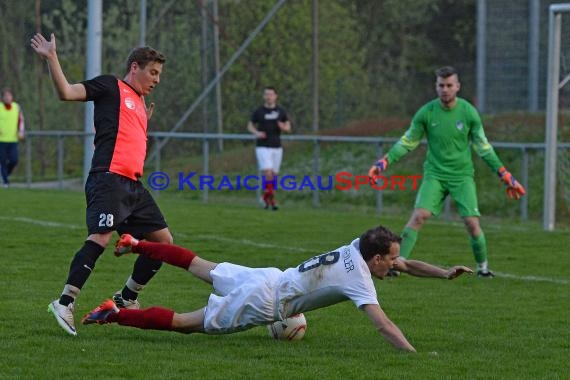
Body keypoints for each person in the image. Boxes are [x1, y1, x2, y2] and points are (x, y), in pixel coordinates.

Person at [82, 225, 473, 352]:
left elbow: (406, 263)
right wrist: (415, 356)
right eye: (391, 258)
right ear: (376, 260)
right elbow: (385, 326)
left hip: (269, 276)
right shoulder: (360, 281)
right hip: (267, 299)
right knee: (187, 323)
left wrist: (442, 272)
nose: (397, 262)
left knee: (199, 264)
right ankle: (116, 313)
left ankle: (135, 243)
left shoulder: (358, 246)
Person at [31, 33, 174, 336]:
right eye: (153, 72)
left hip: (133, 186)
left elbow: (129, 138)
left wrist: (143, 121)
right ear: (134, 67)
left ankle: (128, 297)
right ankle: (65, 301)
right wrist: (52, 57)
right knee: (100, 237)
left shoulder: (138, 101)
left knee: (163, 243)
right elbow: (67, 93)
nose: (157, 80)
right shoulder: (111, 86)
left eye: (159, 74)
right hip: (109, 179)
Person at [368, 66, 526, 278]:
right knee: (418, 217)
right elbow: (407, 142)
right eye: (441, 85)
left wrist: (505, 175)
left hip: (462, 177)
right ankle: (396, 266)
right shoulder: (427, 112)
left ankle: (483, 268)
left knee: (471, 223)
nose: (445, 89)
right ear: (436, 86)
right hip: (435, 175)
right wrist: (384, 162)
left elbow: (483, 148)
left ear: (457, 87)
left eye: (449, 85)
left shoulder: (469, 113)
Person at [247, 86, 291, 210]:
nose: (268, 97)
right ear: (263, 96)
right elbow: (250, 125)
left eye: (271, 94)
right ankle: (272, 199)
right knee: (268, 173)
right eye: (266, 94)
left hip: (277, 146)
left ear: (275, 96)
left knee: (274, 176)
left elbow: (288, 126)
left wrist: (284, 127)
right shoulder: (259, 111)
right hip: (262, 146)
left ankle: (267, 198)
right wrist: (256, 133)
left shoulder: (281, 111)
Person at [0, 88, 25, 187]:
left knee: (14, 160)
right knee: (2, 161)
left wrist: (21, 131)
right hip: (1, 140)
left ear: (12, 97)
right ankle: (6, 182)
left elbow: (21, 120)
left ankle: (5, 174)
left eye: (9, 95)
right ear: (2, 97)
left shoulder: (16, 107)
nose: (7, 97)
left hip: (13, 139)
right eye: (5, 96)